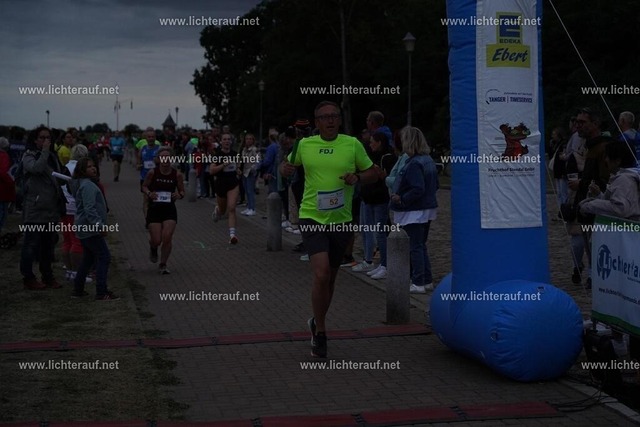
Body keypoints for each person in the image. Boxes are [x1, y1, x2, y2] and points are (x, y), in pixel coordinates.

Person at [280, 100, 376, 358]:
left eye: (334, 116)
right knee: (321, 273)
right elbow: (286, 166)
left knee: (331, 278)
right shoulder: (305, 145)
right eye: (325, 117)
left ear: (340, 120)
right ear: (317, 122)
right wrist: (284, 168)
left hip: (340, 220)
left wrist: (358, 177)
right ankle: (321, 332)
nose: (330, 120)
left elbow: (374, 172)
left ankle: (316, 320)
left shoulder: (352, 144)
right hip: (312, 216)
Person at [389, 126, 439, 294]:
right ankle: (426, 279)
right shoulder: (428, 160)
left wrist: (401, 198)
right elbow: (435, 185)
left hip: (414, 210)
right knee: (420, 245)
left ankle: (418, 281)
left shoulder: (414, 163)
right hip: (426, 208)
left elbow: (418, 188)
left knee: (414, 247)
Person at [19, 126, 65, 290]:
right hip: (35, 209)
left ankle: (47, 276)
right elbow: (36, 168)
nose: (46, 141)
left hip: (51, 208)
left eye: (48, 138)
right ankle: (28, 277)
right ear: (35, 139)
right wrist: (44, 151)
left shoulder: (52, 157)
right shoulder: (29, 156)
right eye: (42, 137)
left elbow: (56, 177)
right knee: (31, 245)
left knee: (48, 245)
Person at [70, 157, 118, 300]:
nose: (93, 168)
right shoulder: (88, 186)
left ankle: (78, 289)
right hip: (90, 229)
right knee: (104, 257)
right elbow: (89, 209)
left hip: (85, 228)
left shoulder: (84, 184)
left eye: (93, 166)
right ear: (82, 170)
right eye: (89, 167)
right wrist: (99, 226)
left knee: (88, 259)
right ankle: (101, 292)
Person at [360, 132, 398, 279]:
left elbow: (388, 179)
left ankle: (385, 265)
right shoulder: (372, 156)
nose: (370, 145)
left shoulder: (387, 158)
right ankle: (379, 262)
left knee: (380, 233)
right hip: (369, 198)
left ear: (379, 142)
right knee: (370, 230)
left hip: (380, 199)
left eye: (372, 142)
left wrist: (382, 176)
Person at [142, 147, 185, 274]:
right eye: (163, 157)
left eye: (168, 157)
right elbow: (144, 186)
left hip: (169, 210)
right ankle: (153, 247)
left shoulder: (177, 174)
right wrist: (149, 193)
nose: (165, 159)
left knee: (167, 237)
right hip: (154, 209)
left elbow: (182, 191)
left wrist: (179, 195)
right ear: (159, 159)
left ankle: (163, 264)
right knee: (156, 240)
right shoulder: (152, 173)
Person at [579, 140, 640, 220]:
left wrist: (590, 205)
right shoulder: (628, 177)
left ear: (617, 161)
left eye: (607, 156)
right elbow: (624, 204)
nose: (605, 160)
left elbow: (619, 209)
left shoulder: (624, 179)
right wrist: (599, 195)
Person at [60, 144, 92, 283]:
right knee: (77, 241)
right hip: (75, 209)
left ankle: (69, 271)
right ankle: (78, 273)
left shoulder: (66, 167)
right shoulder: (80, 169)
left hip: (64, 207)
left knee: (67, 240)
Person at [210, 133, 241, 244]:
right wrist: (223, 165)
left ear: (231, 142)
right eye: (225, 139)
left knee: (232, 208)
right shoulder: (217, 155)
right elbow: (211, 171)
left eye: (228, 139)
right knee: (223, 211)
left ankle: (232, 236)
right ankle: (218, 210)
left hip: (233, 183)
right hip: (221, 184)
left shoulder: (235, 154)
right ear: (221, 142)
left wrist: (238, 170)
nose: (227, 141)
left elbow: (237, 167)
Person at [137, 128, 161, 225]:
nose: (151, 138)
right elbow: (138, 162)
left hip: (157, 178)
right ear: (146, 138)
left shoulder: (159, 149)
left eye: (152, 137)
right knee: (146, 199)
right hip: (144, 178)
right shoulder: (143, 149)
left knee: (156, 199)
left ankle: (157, 218)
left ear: (155, 138)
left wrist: (158, 161)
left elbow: (166, 161)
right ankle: (148, 220)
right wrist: (139, 165)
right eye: (149, 137)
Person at [240, 133, 260, 216]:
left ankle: (252, 208)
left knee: (250, 190)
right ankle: (248, 207)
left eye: (250, 139)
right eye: (247, 139)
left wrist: (253, 168)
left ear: (253, 140)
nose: (248, 140)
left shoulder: (254, 150)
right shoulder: (244, 149)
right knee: (246, 190)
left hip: (250, 172)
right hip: (244, 171)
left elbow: (258, 160)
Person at [0, 137, 16, 235]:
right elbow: (3, 172)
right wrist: (11, 181)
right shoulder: (4, 156)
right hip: (3, 188)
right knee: (2, 211)